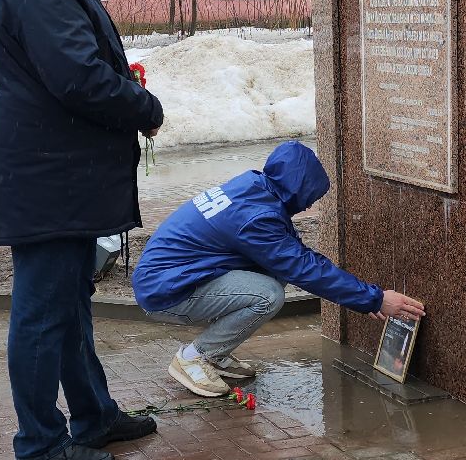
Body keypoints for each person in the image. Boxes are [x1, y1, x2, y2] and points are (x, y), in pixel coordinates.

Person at [0, 0, 164, 460]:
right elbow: (79, 78)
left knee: (67, 307)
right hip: (47, 184)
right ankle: (39, 443)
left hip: (54, 179)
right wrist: (143, 106)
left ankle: (93, 415)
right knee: (41, 314)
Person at [133, 141, 427, 396]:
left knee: (274, 274)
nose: (308, 206)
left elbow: (293, 254)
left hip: (176, 275)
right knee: (268, 295)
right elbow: (304, 268)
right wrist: (374, 299)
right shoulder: (257, 218)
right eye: (309, 196)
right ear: (297, 189)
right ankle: (194, 357)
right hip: (166, 291)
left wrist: (367, 298)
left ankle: (215, 354)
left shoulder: (254, 186)